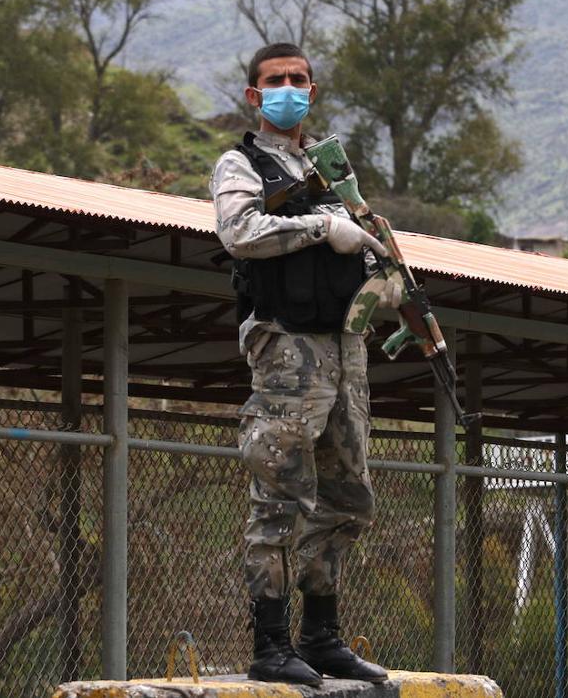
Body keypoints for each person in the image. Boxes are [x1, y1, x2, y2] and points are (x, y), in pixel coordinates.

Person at [210, 42, 402, 687]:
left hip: (345, 351)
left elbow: (364, 238)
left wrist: (380, 272)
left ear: (313, 91)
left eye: (299, 79)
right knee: (279, 498)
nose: (288, 88)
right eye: (276, 80)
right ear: (254, 94)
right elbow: (239, 233)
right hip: (287, 351)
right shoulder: (241, 164)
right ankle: (270, 645)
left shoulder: (332, 167)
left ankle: (321, 636)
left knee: (348, 497)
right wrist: (323, 229)